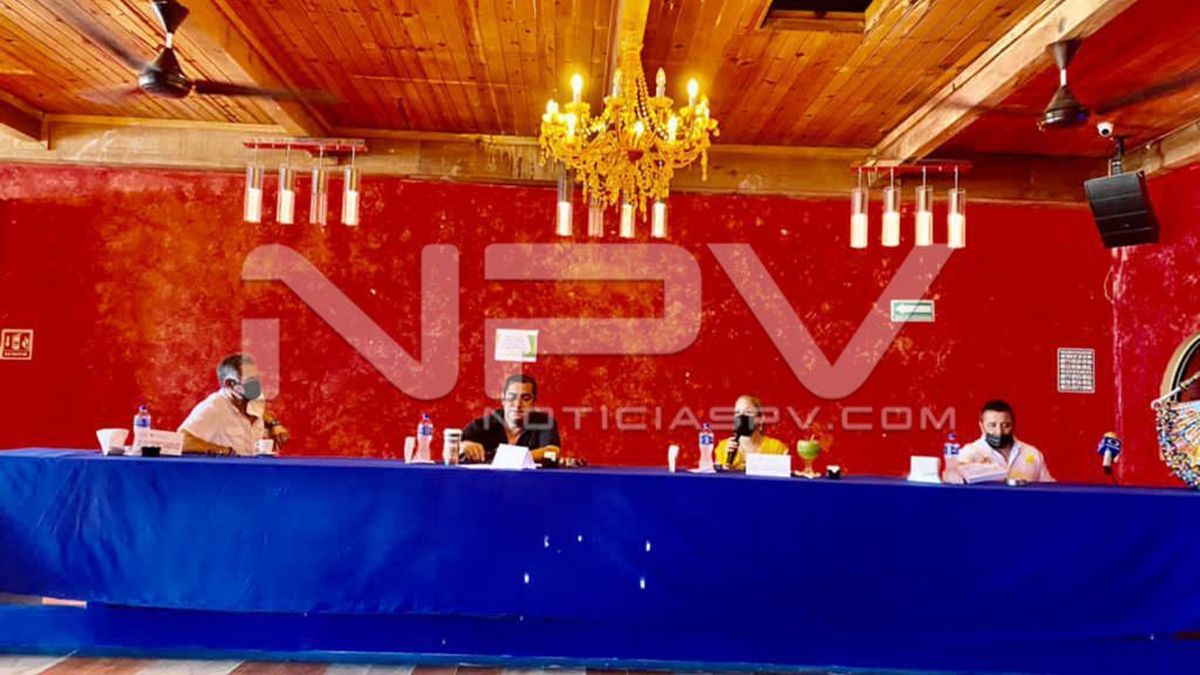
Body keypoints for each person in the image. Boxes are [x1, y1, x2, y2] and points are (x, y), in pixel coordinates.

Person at [178, 353, 289, 456]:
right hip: (226, 470)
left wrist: (274, 424)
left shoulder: (254, 397)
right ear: (230, 384)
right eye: (251, 380)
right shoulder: (213, 407)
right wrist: (224, 451)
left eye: (257, 378)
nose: (257, 385)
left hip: (254, 468)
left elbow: (259, 411)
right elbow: (182, 441)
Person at [460, 374, 561, 464]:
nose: (517, 404)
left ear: (533, 402)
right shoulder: (483, 424)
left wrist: (512, 458)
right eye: (512, 397)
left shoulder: (544, 422)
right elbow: (456, 446)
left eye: (525, 398)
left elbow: (553, 452)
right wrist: (464, 446)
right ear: (503, 399)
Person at [953, 399, 1053, 482]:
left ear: (1013, 425)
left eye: (1006, 425)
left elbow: (1049, 490)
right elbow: (953, 486)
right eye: (992, 425)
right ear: (981, 426)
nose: (999, 432)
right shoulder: (969, 453)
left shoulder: (1032, 453)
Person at [715, 395, 789, 471]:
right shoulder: (723, 448)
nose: (741, 416)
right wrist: (726, 466)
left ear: (760, 419)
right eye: (737, 412)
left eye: (748, 412)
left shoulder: (776, 448)